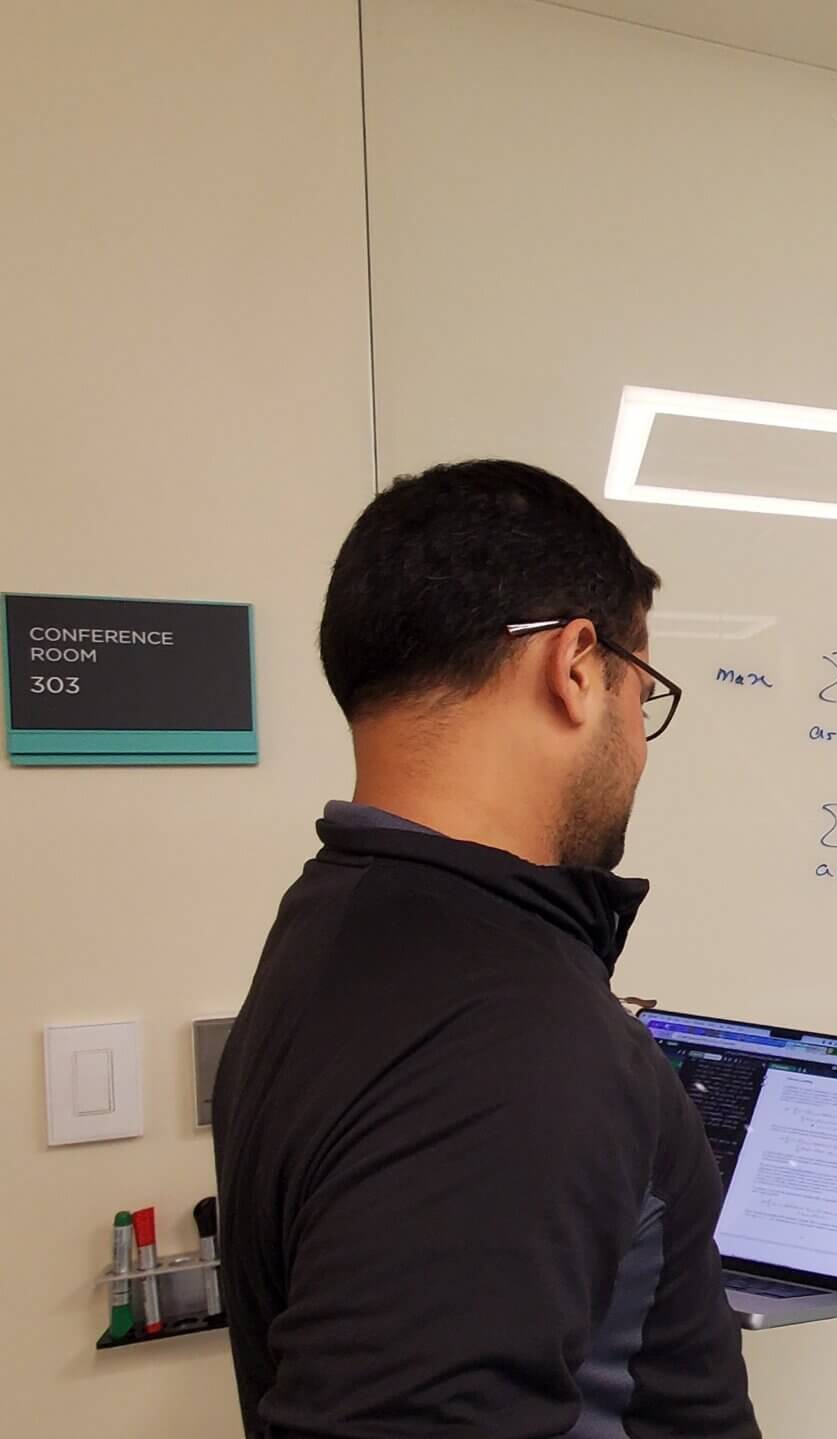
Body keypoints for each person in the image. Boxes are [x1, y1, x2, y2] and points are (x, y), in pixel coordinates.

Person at [213, 460, 758, 1438]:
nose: (639, 738)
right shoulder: (512, 1043)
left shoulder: (340, 921)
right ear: (578, 666)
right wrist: (564, 1071)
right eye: (644, 690)